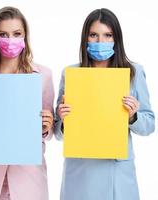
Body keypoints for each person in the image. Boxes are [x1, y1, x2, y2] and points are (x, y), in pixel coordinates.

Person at [55, 8, 155, 200]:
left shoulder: (133, 72)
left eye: (107, 35)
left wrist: (133, 116)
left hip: (116, 172)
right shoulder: (71, 73)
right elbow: (57, 133)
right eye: (93, 35)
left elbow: (149, 124)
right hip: (80, 171)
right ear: (85, 38)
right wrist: (64, 120)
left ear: (116, 39)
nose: (100, 42)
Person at [0, 6, 54, 200]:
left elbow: (48, 133)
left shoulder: (43, 76)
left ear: (25, 37)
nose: (10, 40)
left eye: (17, 34)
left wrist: (46, 127)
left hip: (28, 179)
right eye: (3, 34)